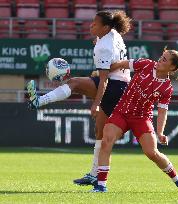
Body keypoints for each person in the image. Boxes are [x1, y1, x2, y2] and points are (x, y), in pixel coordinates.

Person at [26, 10, 132, 186]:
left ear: (105, 27)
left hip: (113, 87)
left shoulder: (103, 47)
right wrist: (98, 39)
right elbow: (107, 56)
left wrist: (96, 104)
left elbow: (104, 80)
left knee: (74, 82)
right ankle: (94, 174)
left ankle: (39, 101)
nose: (91, 25)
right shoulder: (113, 34)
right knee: (100, 132)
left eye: (95, 24)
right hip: (121, 86)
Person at [90, 48, 178, 193]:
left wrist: (160, 132)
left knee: (152, 153)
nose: (159, 60)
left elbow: (162, 111)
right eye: (161, 56)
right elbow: (120, 64)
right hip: (121, 112)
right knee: (106, 142)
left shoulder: (166, 88)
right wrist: (102, 74)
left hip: (142, 118)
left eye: (164, 59)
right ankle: (101, 186)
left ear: (173, 67)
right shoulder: (145, 64)